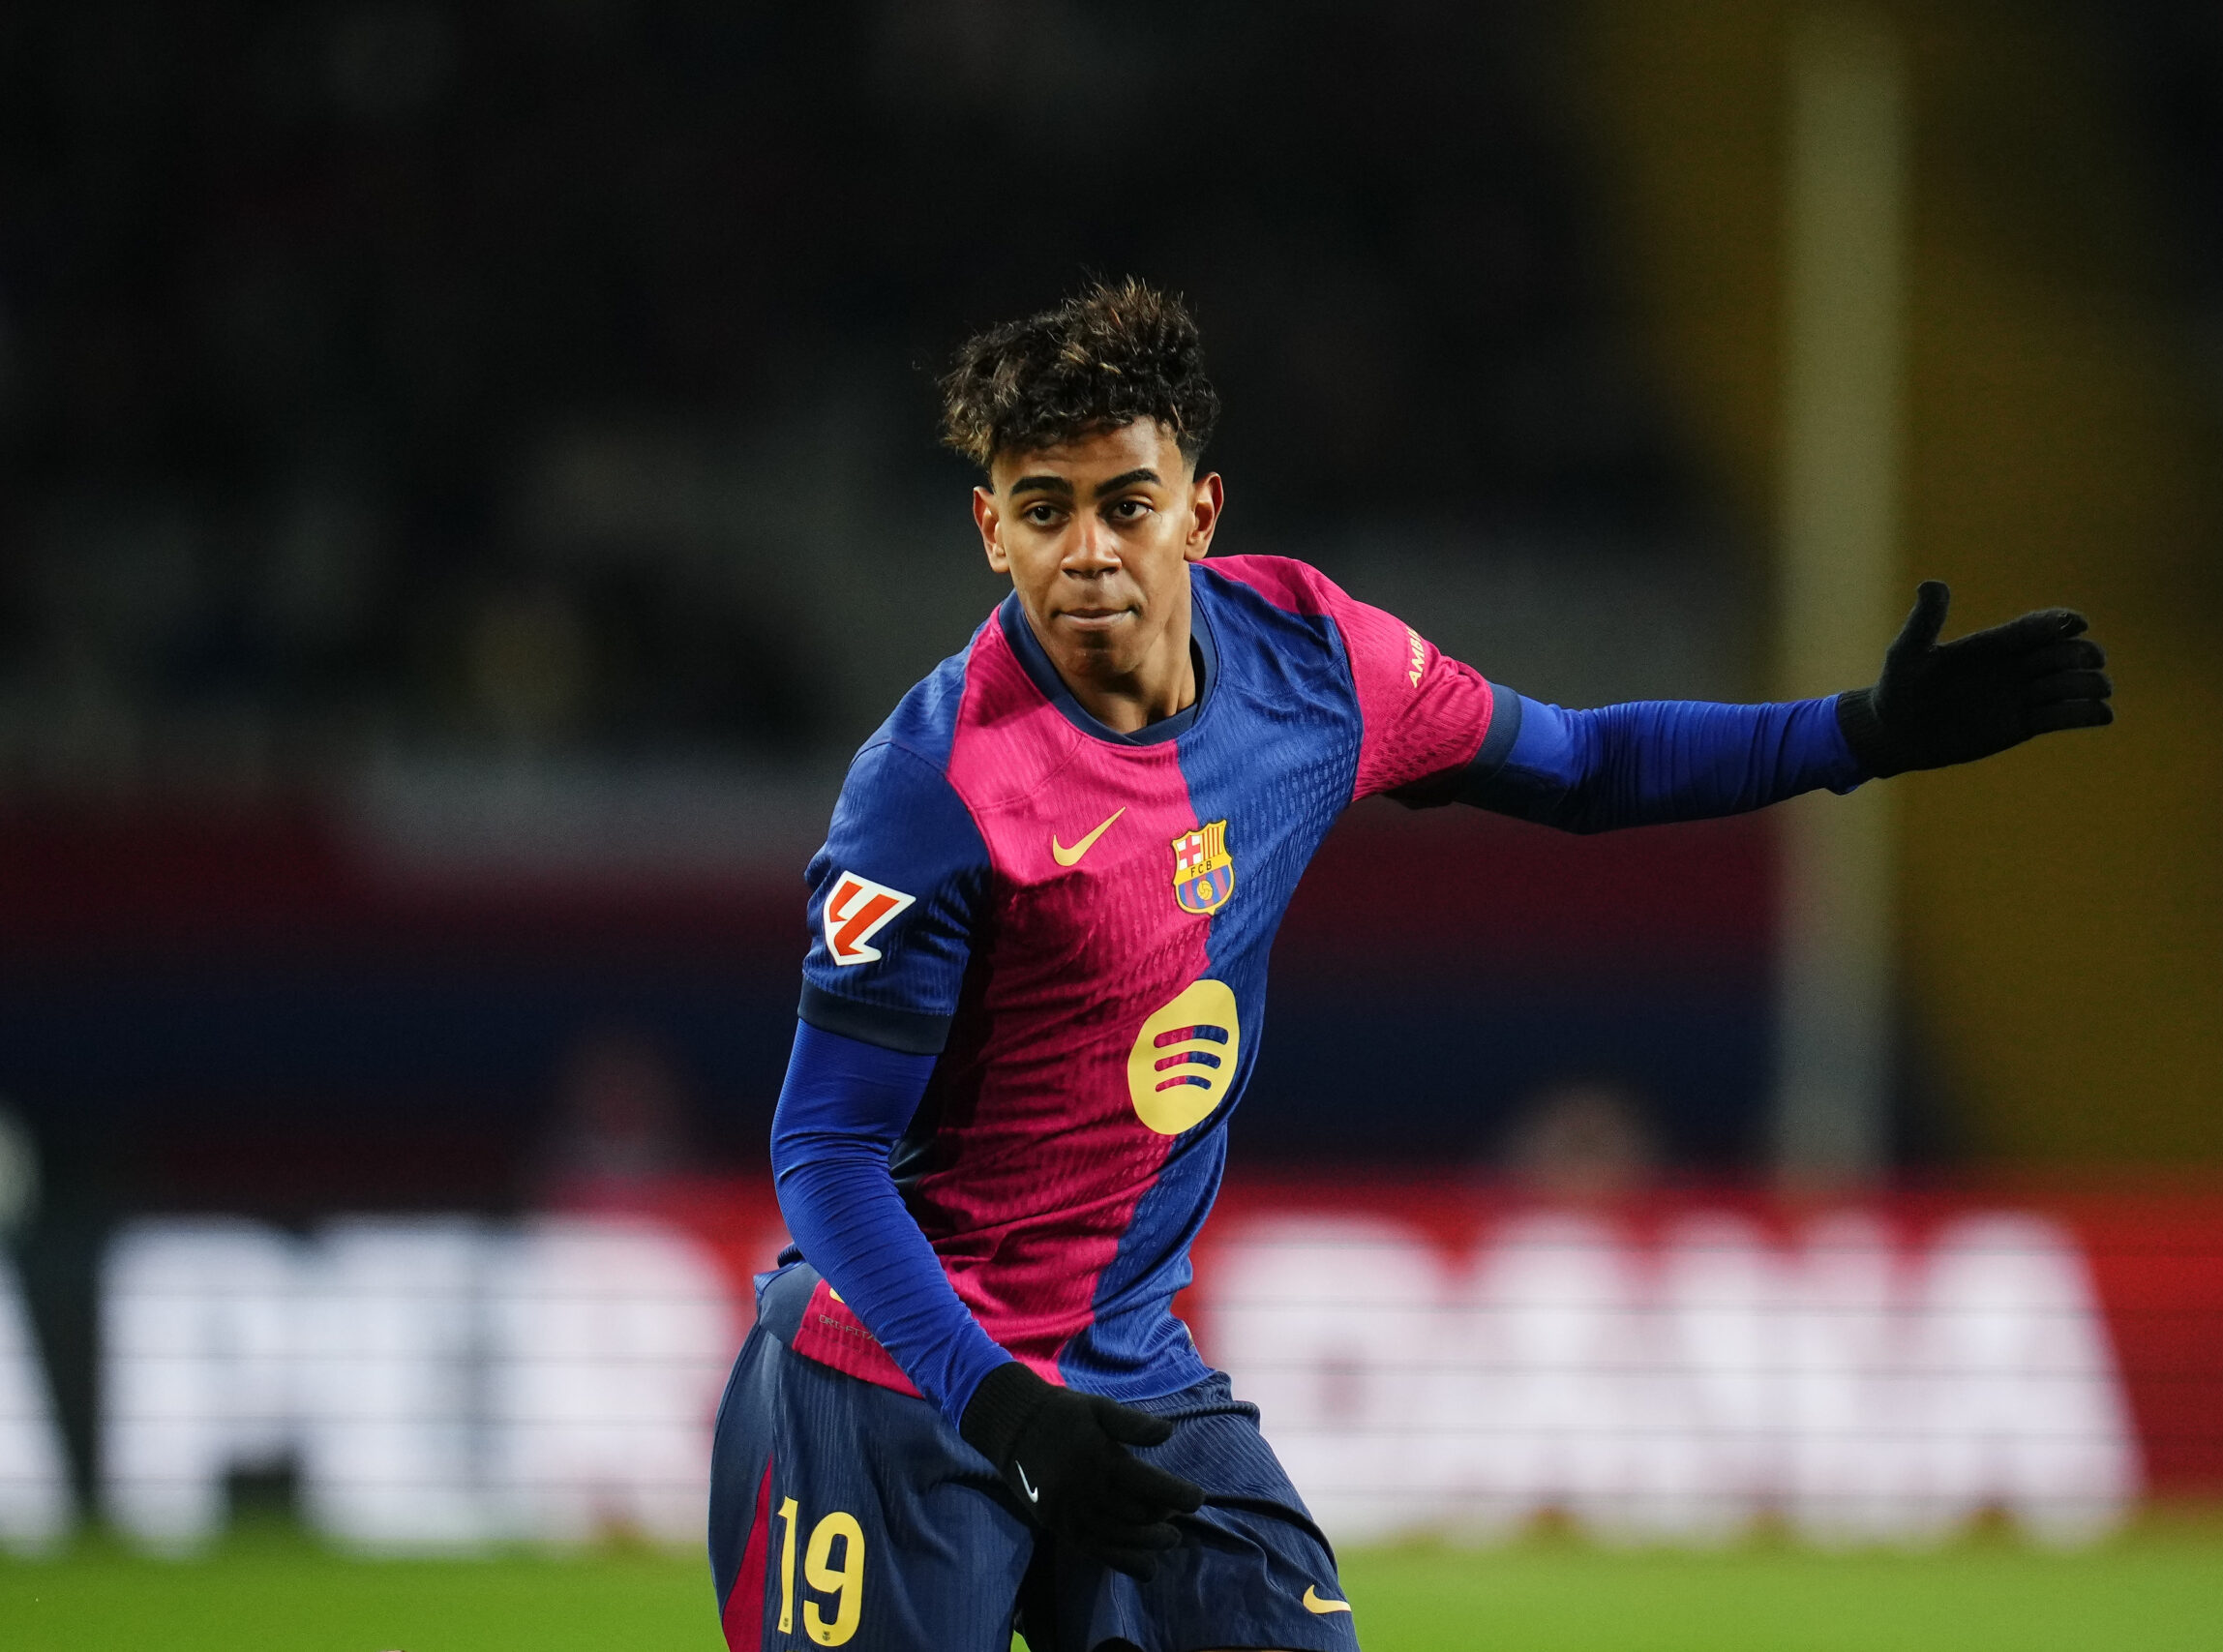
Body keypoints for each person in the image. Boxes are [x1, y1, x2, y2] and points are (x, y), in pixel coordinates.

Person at [707, 279, 2112, 1652]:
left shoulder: (1317, 661)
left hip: (1128, 1362)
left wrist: (1856, 735)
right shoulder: (932, 789)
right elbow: (824, 1150)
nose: (1088, 552)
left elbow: (1583, 761)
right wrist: (999, 1406)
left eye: (1125, 504)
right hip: (900, 1387)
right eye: (1043, 510)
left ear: (1198, 512)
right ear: (988, 530)